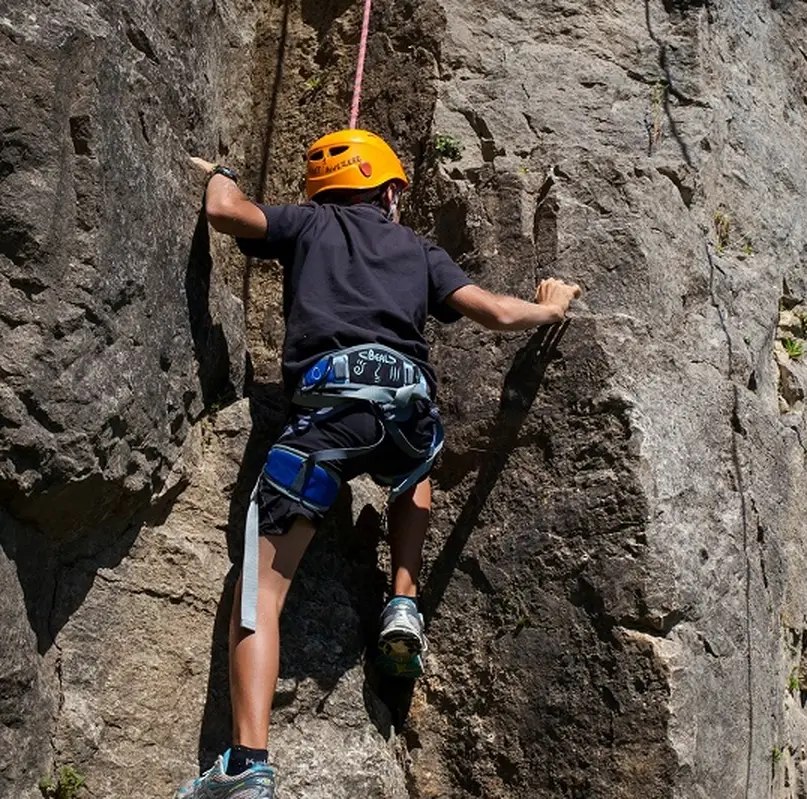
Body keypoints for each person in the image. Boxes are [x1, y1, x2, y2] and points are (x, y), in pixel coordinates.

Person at [176, 129, 581, 799]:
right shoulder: (418, 249)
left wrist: (223, 170)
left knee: (258, 591)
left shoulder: (306, 220)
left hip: (331, 414)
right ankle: (402, 600)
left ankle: (246, 767)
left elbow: (226, 212)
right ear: (392, 192)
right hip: (408, 413)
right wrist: (552, 306)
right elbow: (494, 311)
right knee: (414, 462)